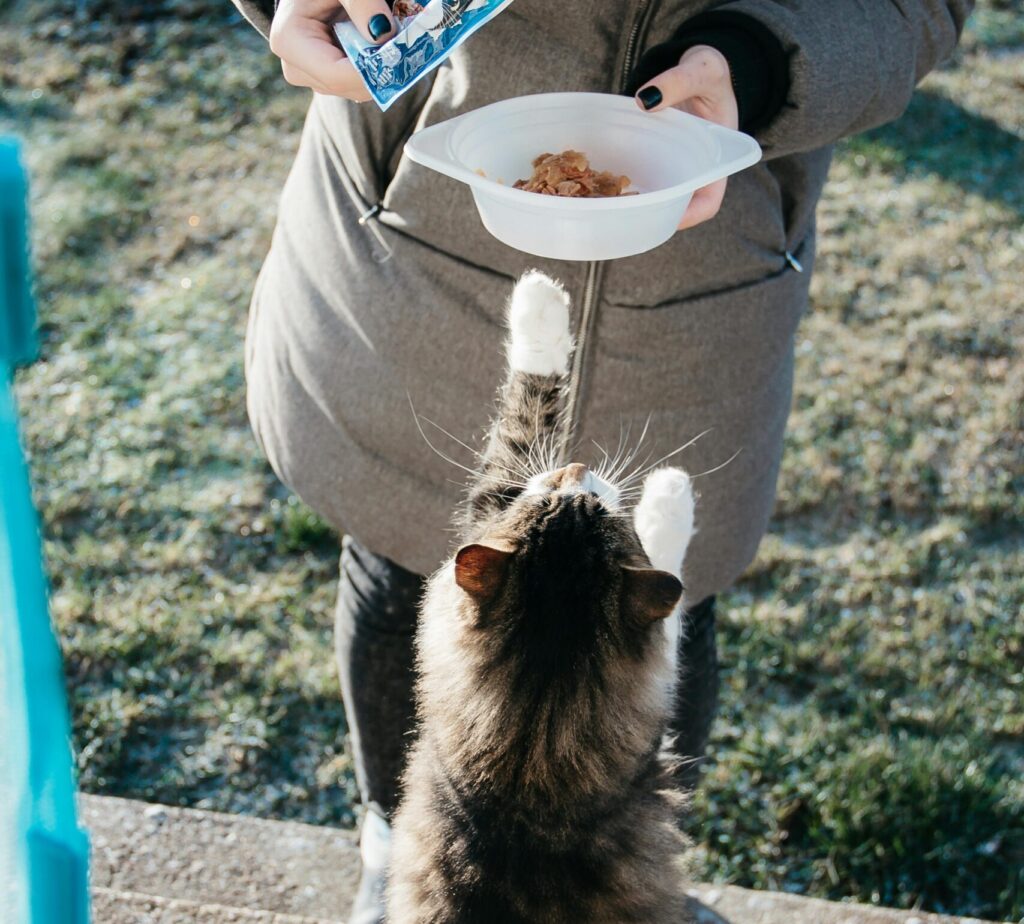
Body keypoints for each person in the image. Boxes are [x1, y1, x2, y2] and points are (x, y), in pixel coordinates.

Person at [228, 2, 972, 921]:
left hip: (705, 278)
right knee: (396, 560)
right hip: (420, 235)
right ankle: (404, 850)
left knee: (661, 619)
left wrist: (766, 64)